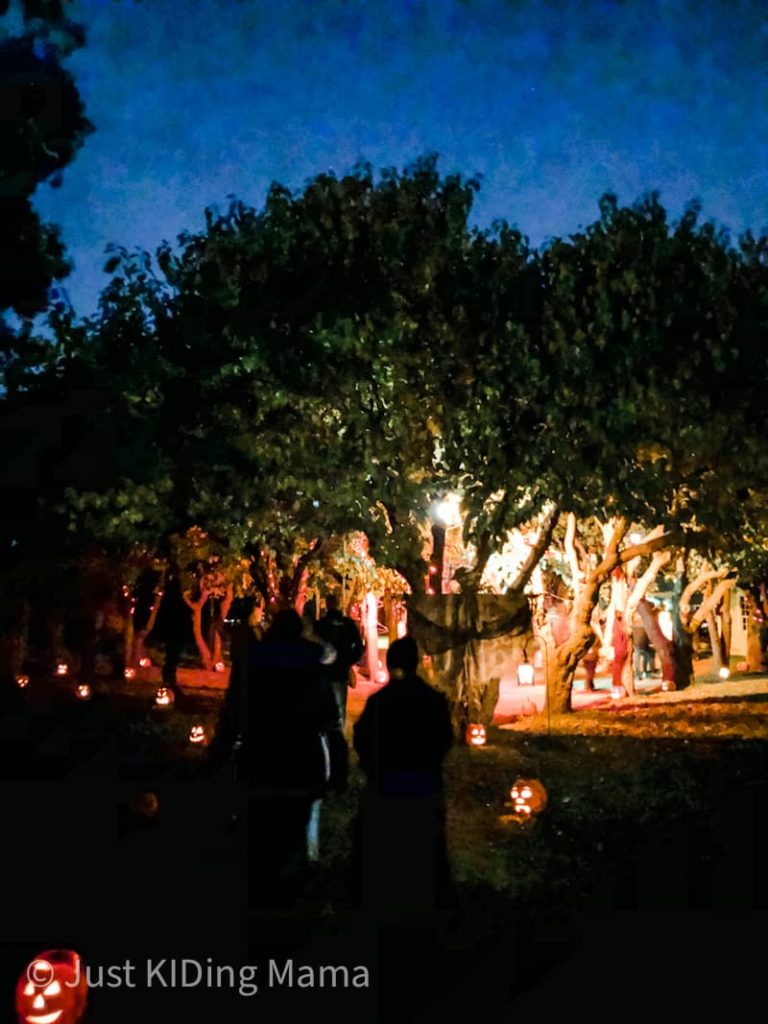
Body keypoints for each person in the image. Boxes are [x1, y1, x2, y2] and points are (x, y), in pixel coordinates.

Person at [236, 609, 339, 910]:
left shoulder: (252, 662)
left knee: (260, 829)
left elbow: (235, 711)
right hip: (300, 762)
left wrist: (220, 754)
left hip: (260, 758)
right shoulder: (313, 667)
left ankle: (259, 897)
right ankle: (287, 899)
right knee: (293, 831)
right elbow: (329, 719)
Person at [352, 635, 454, 917]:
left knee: (385, 852)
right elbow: (444, 739)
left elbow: (362, 740)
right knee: (425, 852)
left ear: (391, 662)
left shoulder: (379, 702)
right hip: (423, 785)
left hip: (385, 785)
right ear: (416, 663)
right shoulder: (433, 700)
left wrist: (372, 766)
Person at [315, 594, 364, 728]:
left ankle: (326, 739)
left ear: (327, 604)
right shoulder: (347, 624)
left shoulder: (320, 625)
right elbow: (359, 648)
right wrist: (348, 662)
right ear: (339, 603)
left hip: (324, 672)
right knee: (340, 708)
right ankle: (338, 738)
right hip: (340, 672)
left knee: (323, 708)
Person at [631, 614, 654, 678]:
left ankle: (638, 673)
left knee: (637, 657)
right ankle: (648, 670)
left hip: (636, 646)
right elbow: (649, 636)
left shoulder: (633, 625)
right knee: (650, 654)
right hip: (643, 646)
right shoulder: (645, 624)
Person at [612, 611, 629, 689]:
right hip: (620, 649)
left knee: (618, 667)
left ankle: (617, 684)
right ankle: (617, 684)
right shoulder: (619, 625)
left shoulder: (618, 624)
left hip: (620, 648)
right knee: (618, 667)